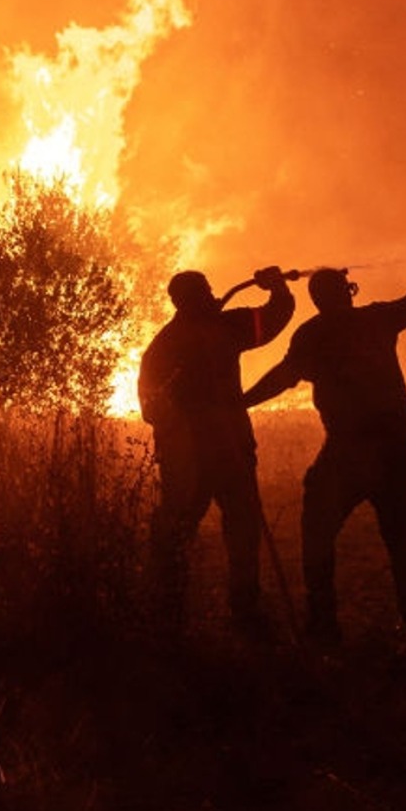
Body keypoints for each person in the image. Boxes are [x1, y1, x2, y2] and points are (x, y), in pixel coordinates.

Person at [241, 266, 406, 644]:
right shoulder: (376, 319)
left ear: (316, 300)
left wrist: (242, 402)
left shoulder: (312, 334)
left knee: (317, 528)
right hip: (397, 446)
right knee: (400, 533)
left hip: (348, 451)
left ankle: (324, 623)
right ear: (348, 292)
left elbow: (284, 376)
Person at [138, 265, 295, 636]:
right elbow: (151, 407)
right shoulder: (179, 344)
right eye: (204, 292)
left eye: (209, 291)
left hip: (228, 452)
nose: (212, 296)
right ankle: (171, 609)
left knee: (239, 529)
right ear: (185, 300)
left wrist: (278, 290)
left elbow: (272, 319)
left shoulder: (219, 329)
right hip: (198, 457)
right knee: (181, 531)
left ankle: (240, 608)